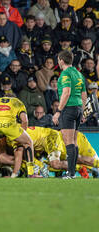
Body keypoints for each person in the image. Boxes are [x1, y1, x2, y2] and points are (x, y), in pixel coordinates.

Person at [52, 50, 87, 179]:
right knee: (74, 142)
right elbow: (84, 95)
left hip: (69, 108)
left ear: (61, 60)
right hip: (78, 108)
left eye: (58, 60)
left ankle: (71, 173)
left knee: (69, 142)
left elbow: (66, 93)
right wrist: (82, 111)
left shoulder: (65, 74)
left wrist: (58, 111)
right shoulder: (78, 74)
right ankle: (72, 172)